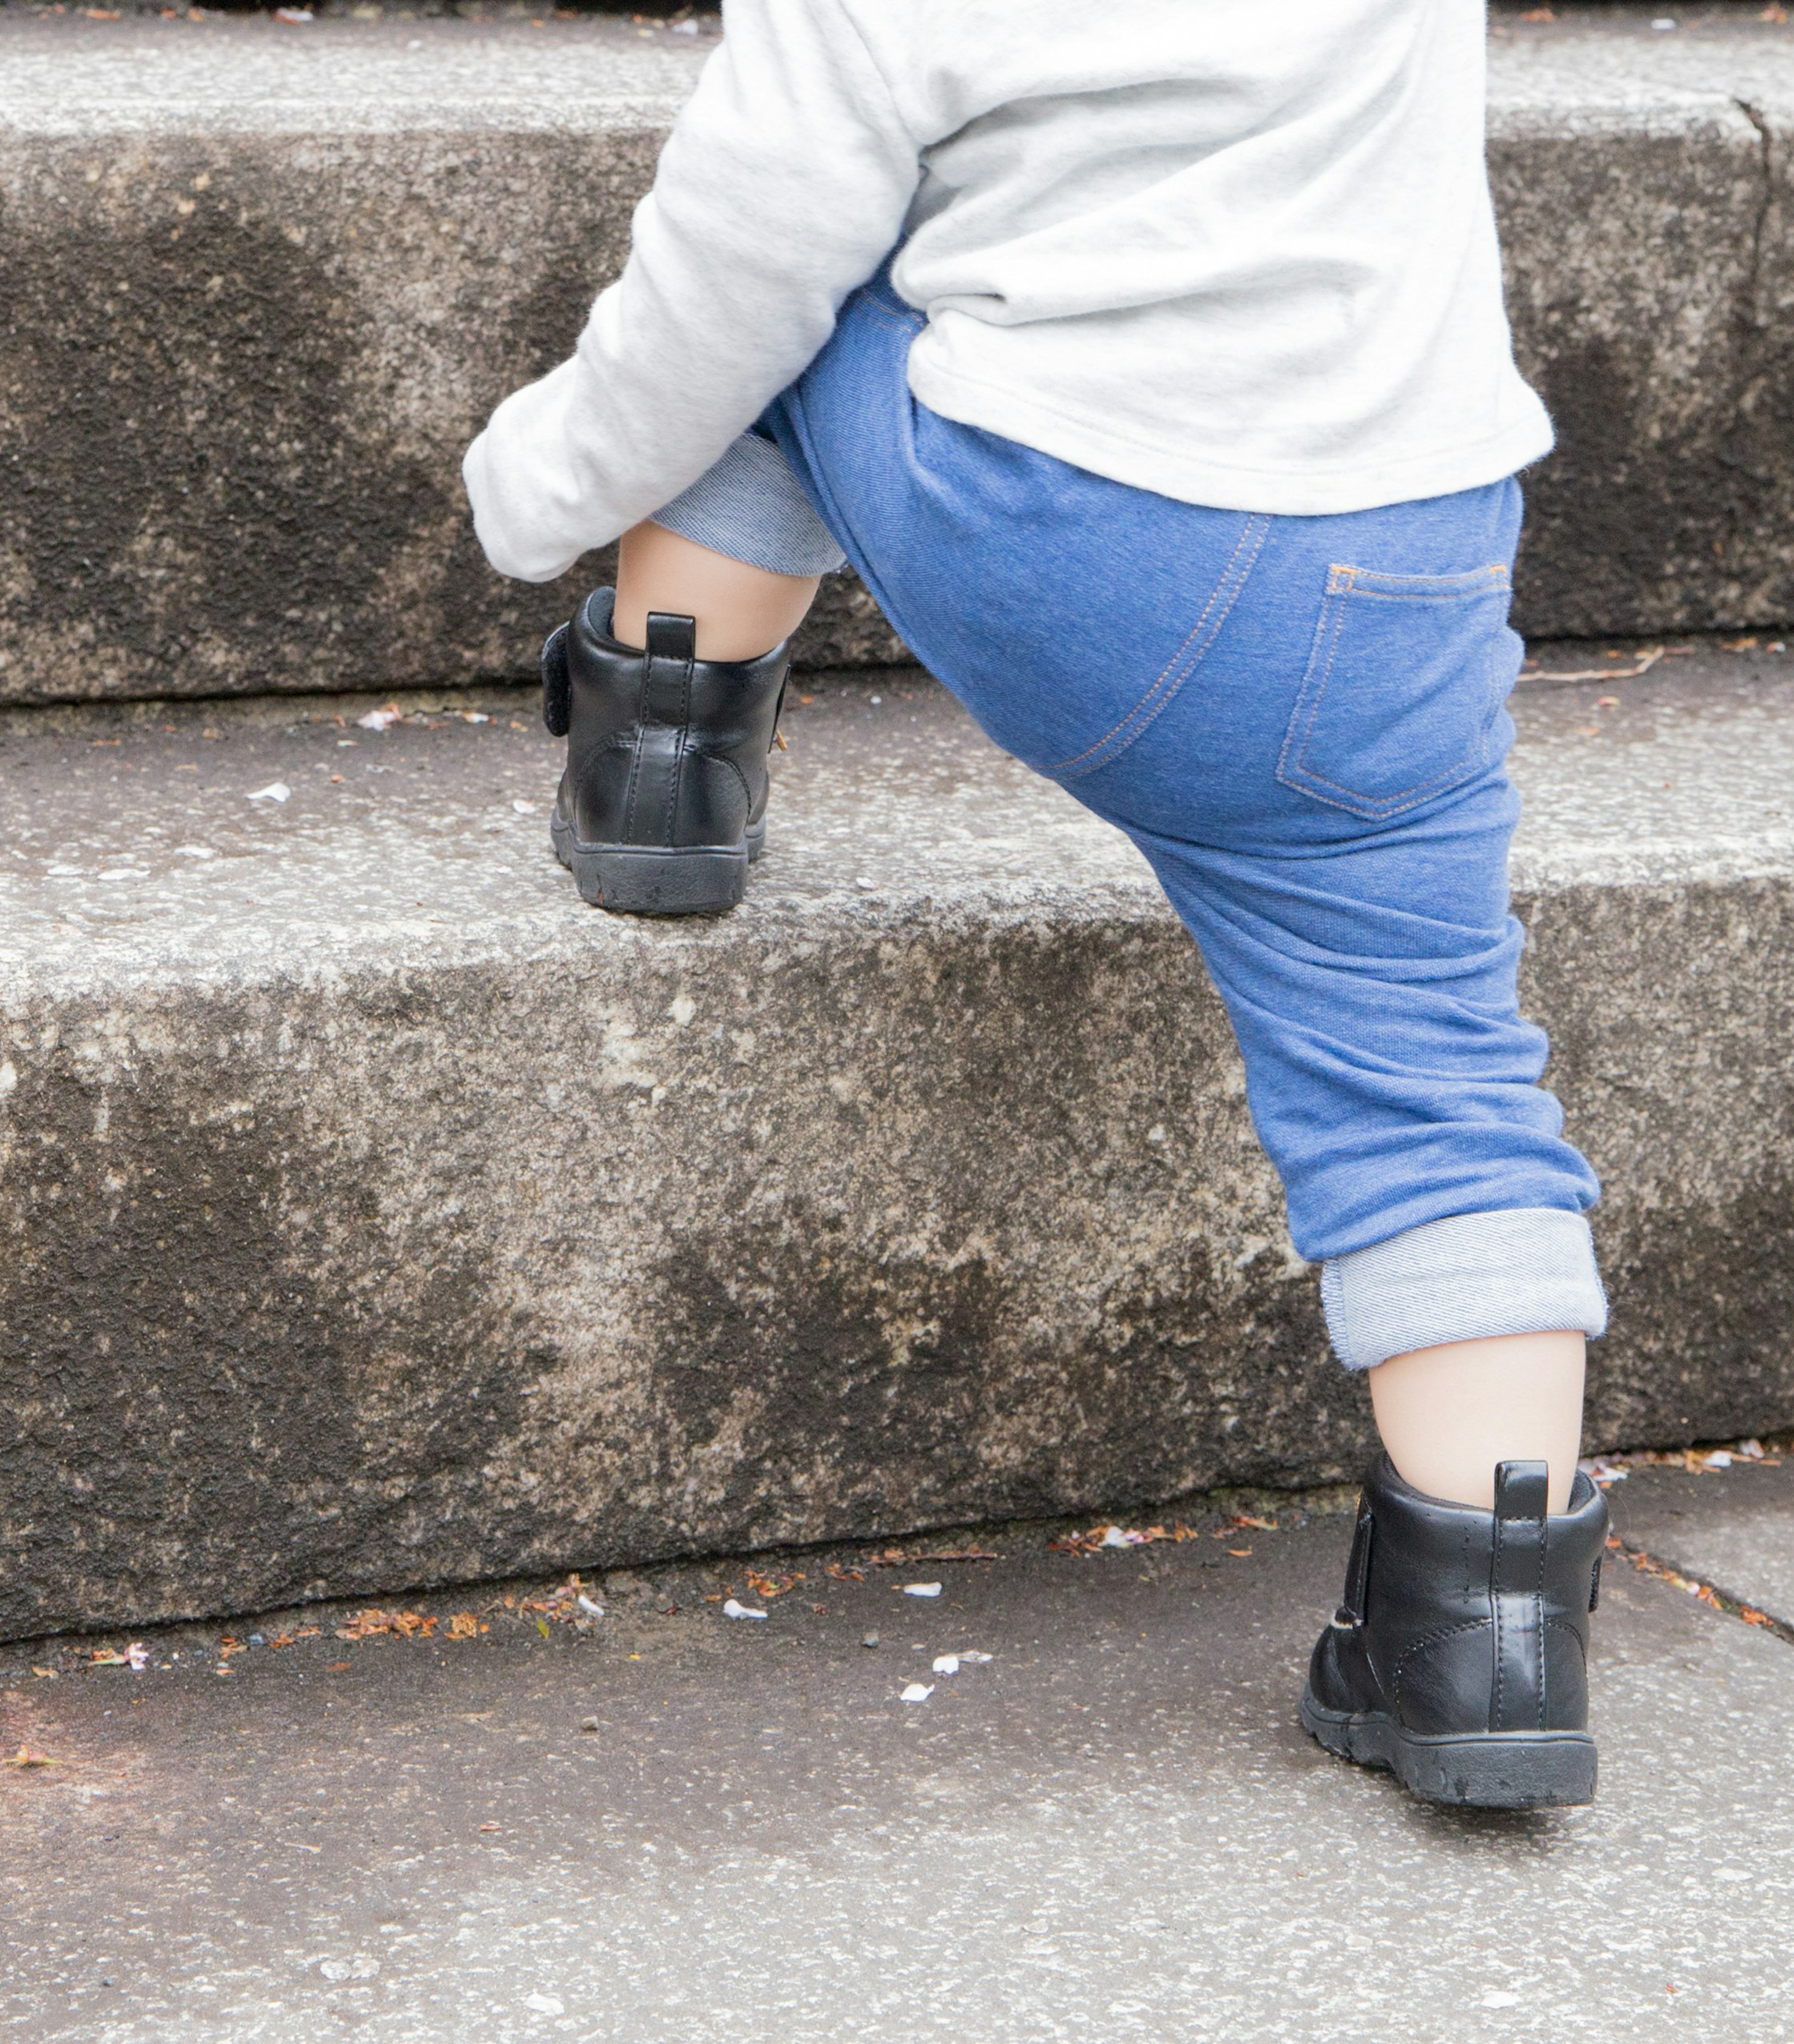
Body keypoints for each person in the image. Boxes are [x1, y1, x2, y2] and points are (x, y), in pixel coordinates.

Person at [464, 0, 1608, 1808]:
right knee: (1435, 1075)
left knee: (786, 303)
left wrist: (535, 487)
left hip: (1083, 535)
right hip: (1406, 553)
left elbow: (730, 267)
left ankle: (661, 744)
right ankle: (1487, 1646)